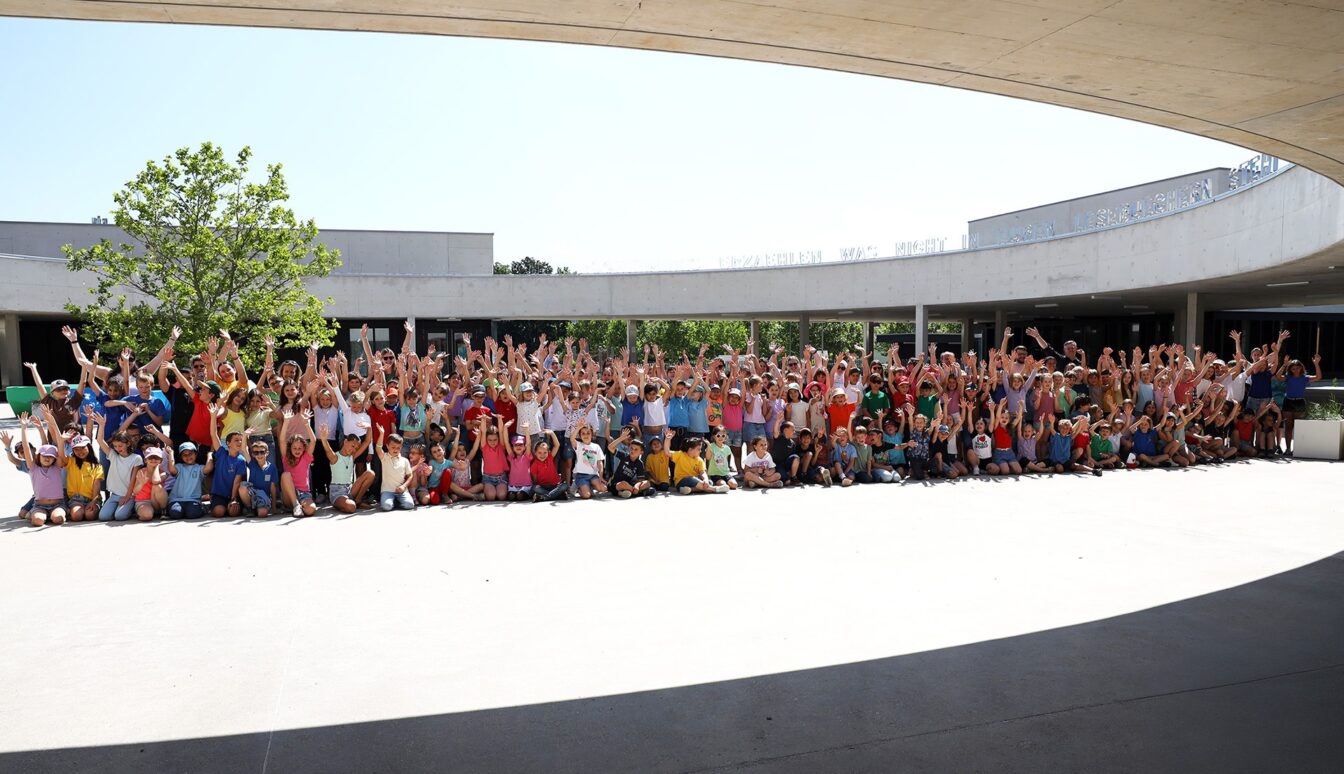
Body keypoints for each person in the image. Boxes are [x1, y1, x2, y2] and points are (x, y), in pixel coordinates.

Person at [373, 426, 415, 511]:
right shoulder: (384, 457)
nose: (395, 450)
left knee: (410, 505)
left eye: (398, 448)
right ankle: (391, 502)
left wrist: (404, 486)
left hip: (402, 491)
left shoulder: (405, 460)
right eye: (393, 447)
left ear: (401, 447)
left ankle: (395, 501)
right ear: (387, 446)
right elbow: (378, 448)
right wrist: (382, 434)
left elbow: (410, 476)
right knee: (386, 507)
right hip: (387, 491)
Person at [608, 429, 652, 498]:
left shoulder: (640, 463)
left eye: (636, 449)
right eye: (631, 448)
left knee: (647, 483)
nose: (632, 450)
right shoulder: (624, 455)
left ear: (641, 452)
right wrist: (621, 438)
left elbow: (640, 480)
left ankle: (627, 492)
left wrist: (637, 486)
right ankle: (638, 492)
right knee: (623, 484)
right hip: (615, 485)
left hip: (629, 485)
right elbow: (610, 447)